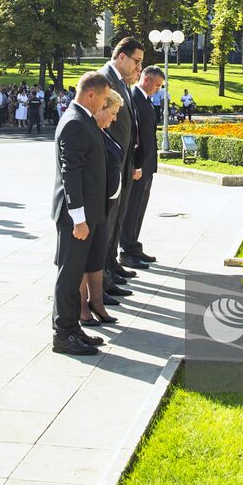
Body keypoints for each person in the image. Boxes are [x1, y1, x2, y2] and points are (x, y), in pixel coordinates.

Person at [51, 71, 110, 356]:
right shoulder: (75, 122)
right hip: (76, 217)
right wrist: (79, 219)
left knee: (75, 275)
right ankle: (63, 335)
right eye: (103, 98)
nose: (104, 104)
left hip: (86, 214)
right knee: (69, 274)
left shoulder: (83, 118)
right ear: (90, 95)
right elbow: (70, 173)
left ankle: (73, 329)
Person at [100, 37, 143, 299]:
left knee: (116, 219)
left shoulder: (125, 84)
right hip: (111, 167)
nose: (139, 67)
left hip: (123, 165)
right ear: (121, 57)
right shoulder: (105, 79)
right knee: (107, 223)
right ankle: (101, 275)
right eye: (136, 61)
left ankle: (111, 265)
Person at [81, 87, 125, 329]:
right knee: (84, 260)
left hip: (104, 205)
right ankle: (83, 308)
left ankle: (97, 303)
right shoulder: (88, 130)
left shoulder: (103, 132)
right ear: (100, 106)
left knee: (96, 257)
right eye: (113, 112)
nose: (114, 118)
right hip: (91, 206)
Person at [120, 65, 164, 268]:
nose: (157, 89)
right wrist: (136, 164)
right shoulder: (134, 98)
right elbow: (134, 135)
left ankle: (134, 245)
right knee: (132, 208)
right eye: (156, 85)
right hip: (138, 167)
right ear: (146, 79)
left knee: (139, 208)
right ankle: (127, 250)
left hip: (147, 166)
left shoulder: (145, 99)